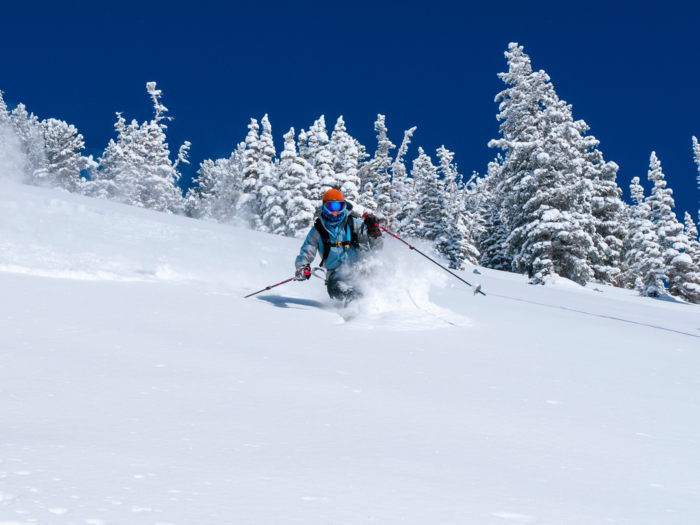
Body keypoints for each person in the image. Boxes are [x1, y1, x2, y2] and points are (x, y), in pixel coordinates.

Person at [294, 189, 383, 302]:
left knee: (370, 285)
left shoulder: (353, 223)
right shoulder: (318, 230)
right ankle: (356, 310)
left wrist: (374, 232)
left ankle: (378, 307)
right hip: (335, 274)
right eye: (331, 206)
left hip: (358, 268)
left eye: (340, 206)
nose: (336, 211)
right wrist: (302, 267)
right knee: (342, 290)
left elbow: (376, 248)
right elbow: (306, 251)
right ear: (324, 207)